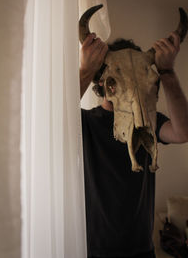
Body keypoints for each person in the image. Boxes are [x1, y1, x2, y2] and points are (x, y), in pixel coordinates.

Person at [79, 31, 188, 258]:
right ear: (103, 79)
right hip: (94, 250)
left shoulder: (148, 120)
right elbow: (45, 126)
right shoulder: (84, 121)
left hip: (141, 249)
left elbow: (182, 132)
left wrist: (167, 72)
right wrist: (86, 69)